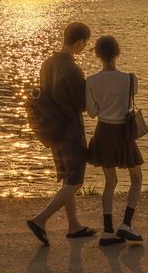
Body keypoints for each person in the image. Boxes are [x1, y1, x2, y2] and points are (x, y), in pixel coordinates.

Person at [26, 21, 96, 246]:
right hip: (70, 130)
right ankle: (40, 219)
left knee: (68, 179)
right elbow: (81, 104)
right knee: (75, 182)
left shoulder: (47, 63)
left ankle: (74, 225)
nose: (84, 47)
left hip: (52, 129)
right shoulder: (73, 69)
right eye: (85, 44)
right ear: (80, 42)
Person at [86, 35, 144, 246]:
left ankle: (108, 231)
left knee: (110, 182)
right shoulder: (130, 78)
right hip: (123, 133)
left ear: (98, 55)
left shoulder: (91, 81)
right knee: (136, 178)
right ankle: (127, 224)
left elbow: (92, 113)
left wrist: (103, 106)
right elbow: (130, 99)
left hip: (103, 132)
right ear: (117, 53)